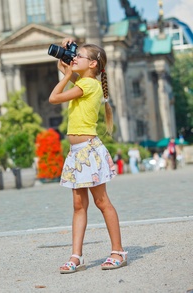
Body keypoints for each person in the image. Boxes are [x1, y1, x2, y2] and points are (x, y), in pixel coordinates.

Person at [48, 39, 127, 273]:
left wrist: (66, 75)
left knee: (102, 202)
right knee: (78, 205)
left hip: (89, 150)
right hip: (76, 152)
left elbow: (55, 97)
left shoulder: (89, 85)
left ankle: (118, 251)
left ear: (92, 64)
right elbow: (64, 68)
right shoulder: (84, 82)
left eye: (79, 56)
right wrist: (66, 58)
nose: (75, 59)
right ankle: (76, 256)